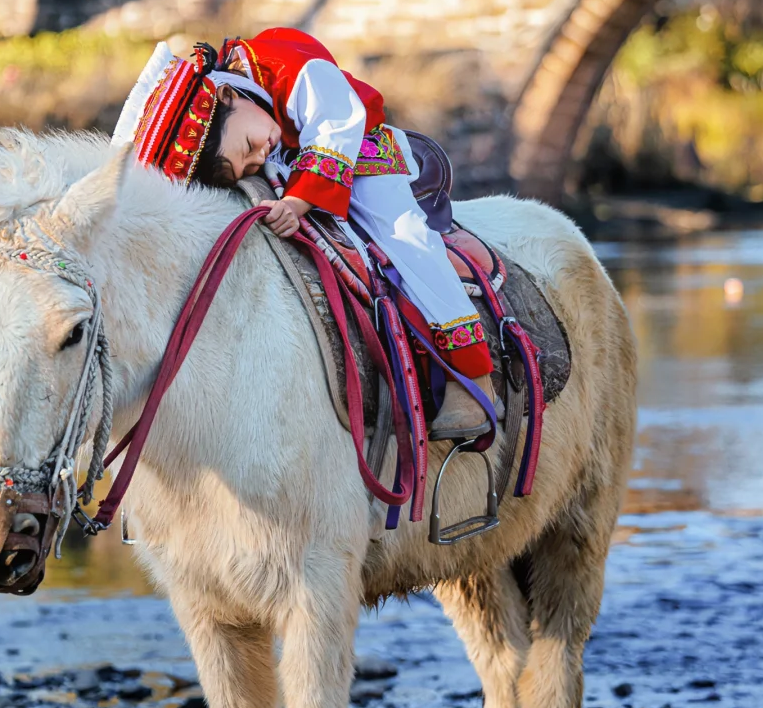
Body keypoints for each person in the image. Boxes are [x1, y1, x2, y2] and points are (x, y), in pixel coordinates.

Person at [114, 27, 496, 439]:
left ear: (227, 97)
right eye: (247, 166)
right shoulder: (256, 118)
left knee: (407, 239)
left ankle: (472, 377)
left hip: (363, 160)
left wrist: (297, 202)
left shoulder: (283, 63)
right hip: (296, 173)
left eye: (248, 147)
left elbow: (338, 123)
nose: (258, 156)